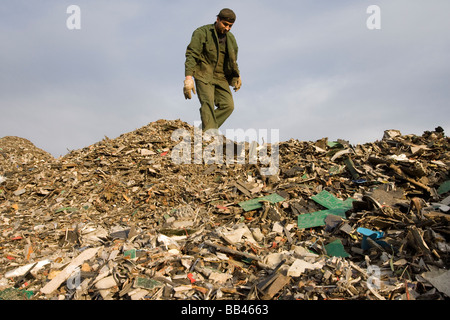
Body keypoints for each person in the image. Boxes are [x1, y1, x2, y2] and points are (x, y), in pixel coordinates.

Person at [184, 8, 241, 132]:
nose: (227, 28)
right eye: (225, 24)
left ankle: (204, 130)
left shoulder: (231, 39)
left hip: (221, 77)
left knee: (228, 106)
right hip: (204, 74)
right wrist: (188, 78)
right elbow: (191, 55)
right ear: (218, 19)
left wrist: (237, 76)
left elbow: (233, 60)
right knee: (207, 103)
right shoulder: (201, 33)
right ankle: (209, 134)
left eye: (230, 26)